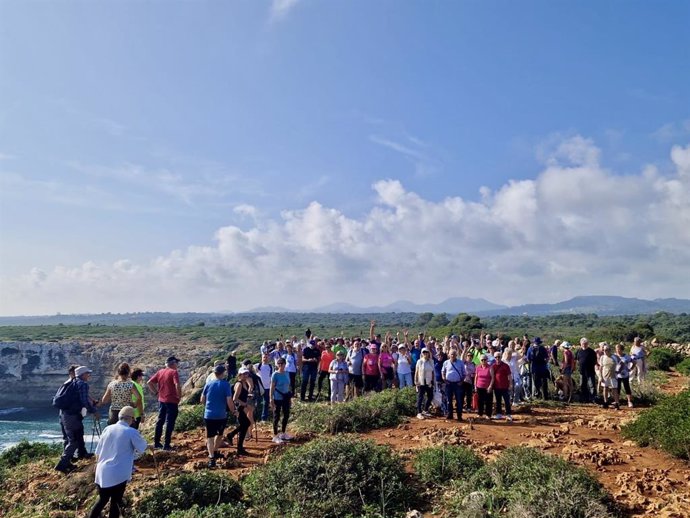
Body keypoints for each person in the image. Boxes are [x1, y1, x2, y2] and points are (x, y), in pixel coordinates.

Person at [87, 406, 148, 518]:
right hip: (118, 473)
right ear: (131, 419)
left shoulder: (108, 429)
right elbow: (142, 448)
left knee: (102, 499)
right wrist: (150, 446)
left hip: (102, 471)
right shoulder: (131, 431)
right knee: (115, 502)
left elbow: (98, 451)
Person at [55, 365, 100, 473]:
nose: (89, 375)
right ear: (83, 374)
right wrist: (94, 411)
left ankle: (70, 460)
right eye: (87, 373)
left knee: (74, 437)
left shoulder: (73, 383)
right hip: (72, 416)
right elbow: (84, 401)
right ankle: (62, 464)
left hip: (66, 415)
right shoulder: (82, 384)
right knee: (74, 440)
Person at [201, 364, 237, 467]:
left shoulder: (208, 384)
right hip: (221, 415)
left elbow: (202, 400)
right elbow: (229, 401)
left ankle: (211, 457)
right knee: (220, 434)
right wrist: (233, 411)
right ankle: (215, 451)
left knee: (210, 437)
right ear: (223, 373)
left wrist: (209, 405)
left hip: (209, 414)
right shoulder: (226, 385)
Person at [147, 355, 182, 450]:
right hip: (171, 400)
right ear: (173, 364)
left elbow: (149, 382)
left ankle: (157, 443)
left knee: (160, 420)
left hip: (161, 400)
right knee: (170, 422)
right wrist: (179, 397)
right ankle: (166, 444)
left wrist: (156, 393)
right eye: (176, 363)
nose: (177, 365)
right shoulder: (174, 372)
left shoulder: (160, 372)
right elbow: (177, 384)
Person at [226, 367, 252, 456]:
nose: (246, 375)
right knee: (246, 424)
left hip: (240, 407)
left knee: (245, 424)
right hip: (238, 408)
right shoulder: (239, 384)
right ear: (239, 375)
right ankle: (234, 441)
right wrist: (245, 404)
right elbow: (235, 398)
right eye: (244, 374)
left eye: (247, 373)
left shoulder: (244, 383)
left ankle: (238, 444)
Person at [270, 357, 292, 442]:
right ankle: (275, 435)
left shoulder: (287, 373)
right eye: (279, 364)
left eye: (282, 363)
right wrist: (271, 399)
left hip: (286, 397)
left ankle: (283, 432)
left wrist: (290, 398)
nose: (280, 365)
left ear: (285, 364)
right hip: (277, 398)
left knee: (286, 415)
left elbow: (288, 386)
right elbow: (272, 387)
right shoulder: (275, 374)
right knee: (277, 416)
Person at [441, 349, 465, 421]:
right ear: (449, 355)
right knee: (449, 400)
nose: (453, 356)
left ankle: (459, 415)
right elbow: (443, 371)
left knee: (459, 400)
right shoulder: (446, 363)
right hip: (449, 384)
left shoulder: (460, 363)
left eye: (454, 354)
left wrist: (461, 381)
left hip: (458, 384)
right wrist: (444, 379)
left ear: (456, 355)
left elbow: (464, 373)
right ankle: (450, 414)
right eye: (451, 354)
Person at [414, 348, 435, 419]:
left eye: (427, 352)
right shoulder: (419, 361)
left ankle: (425, 410)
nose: (425, 353)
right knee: (420, 397)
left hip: (429, 382)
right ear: (422, 353)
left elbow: (432, 372)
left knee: (430, 396)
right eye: (424, 352)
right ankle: (419, 412)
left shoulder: (431, 361)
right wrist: (416, 381)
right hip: (421, 381)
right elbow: (416, 372)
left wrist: (433, 381)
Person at [492, 352, 513, 421]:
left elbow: (509, 376)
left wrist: (510, 384)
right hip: (496, 386)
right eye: (496, 357)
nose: (497, 358)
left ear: (501, 357)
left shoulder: (506, 366)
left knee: (507, 401)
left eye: (499, 357)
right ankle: (499, 414)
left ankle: (508, 414)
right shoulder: (493, 366)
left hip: (505, 386)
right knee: (498, 401)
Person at [576, 338, 597, 403]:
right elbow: (577, 360)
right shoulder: (578, 351)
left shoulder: (591, 351)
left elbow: (595, 361)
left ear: (587, 344)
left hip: (590, 371)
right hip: (582, 371)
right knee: (582, 385)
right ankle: (584, 398)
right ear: (581, 344)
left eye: (585, 344)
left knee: (592, 385)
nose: (584, 345)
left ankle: (592, 398)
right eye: (583, 344)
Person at [614, 343, 634, 408]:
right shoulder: (614, 356)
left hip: (625, 374)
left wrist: (631, 368)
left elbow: (634, 362)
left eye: (619, 349)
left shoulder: (626, 356)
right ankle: (617, 401)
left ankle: (629, 401)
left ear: (622, 349)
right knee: (617, 388)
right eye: (616, 349)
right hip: (617, 375)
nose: (617, 351)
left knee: (627, 387)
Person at [474, 354, 494, 419]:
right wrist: (475, 386)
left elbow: (493, 378)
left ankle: (488, 415)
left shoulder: (490, 367)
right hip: (479, 386)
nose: (483, 361)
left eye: (484, 360)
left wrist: (490, 386)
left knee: (488, 401)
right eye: (482, 360)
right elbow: (476, 377)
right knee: (480, 401)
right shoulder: (478, 367)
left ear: (487, 360)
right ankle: (480, 414)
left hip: (487, 387)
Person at [255, 354, 274, 421]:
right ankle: (256, 418)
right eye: (264, 357)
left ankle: (264, 418)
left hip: (268, 388)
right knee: (257, 403)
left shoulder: (271, 366)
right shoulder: (257, 366)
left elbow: (272, 377)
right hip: (259, 388)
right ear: (261, 358)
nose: (265, 358)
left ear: (268, 358)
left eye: (266, 357)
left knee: (266, 403)